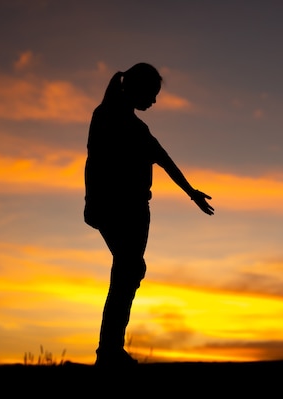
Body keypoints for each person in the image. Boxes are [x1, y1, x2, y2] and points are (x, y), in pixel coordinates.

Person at [84, 62, 214, 367]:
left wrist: (191, 192)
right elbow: (94, 162)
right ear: (137, 89)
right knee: (130, 269)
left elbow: (165, 160)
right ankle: (109, 351)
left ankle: (110, 350)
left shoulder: (139, 129)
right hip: (114, 208)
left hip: (139, 212)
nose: (154, 102)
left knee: (128, 272)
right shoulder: (104, 117)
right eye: (151, 94)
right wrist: (91, 201)